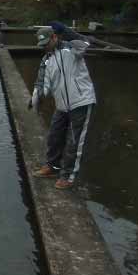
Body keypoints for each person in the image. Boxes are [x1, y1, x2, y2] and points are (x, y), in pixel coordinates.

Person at [29, 23, 96, 190]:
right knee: (54, 136)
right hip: (62, 105)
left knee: (74, 142)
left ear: (54, 37)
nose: (45, 48)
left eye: (47, 43)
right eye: (42, 46)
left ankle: (68, 176)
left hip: (81, 101)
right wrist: (35, 97)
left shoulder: (72, 49)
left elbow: (85, 42)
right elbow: (42, 83)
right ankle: (53, 167)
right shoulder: (46, 59)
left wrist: (66, 30)